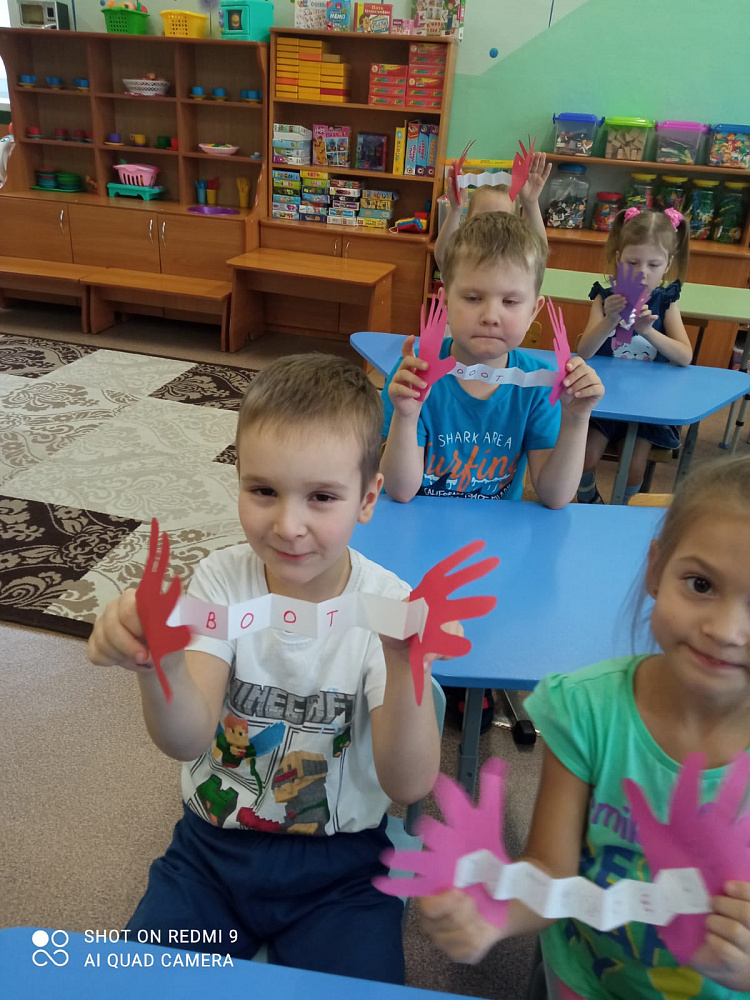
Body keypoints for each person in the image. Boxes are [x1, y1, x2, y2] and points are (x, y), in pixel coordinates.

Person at [87, 354, 460, 983]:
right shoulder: (220, 582)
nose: (288, 526)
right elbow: (187, 739)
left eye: (322, 497)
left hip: (343, 872)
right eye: (263, 491)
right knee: (138, 984)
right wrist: (156, 665)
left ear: (368, 498)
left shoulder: (389, 607)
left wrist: (405, 666)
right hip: (211, 856)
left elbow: (408, 784)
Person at [419, 454, 750, 999]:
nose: (726, 629)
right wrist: (493, 913)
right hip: (579, 980)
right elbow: (551, 871)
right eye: (700, 584)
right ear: (655, 568)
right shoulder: (589, 711)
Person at [381, 211, 604, 506]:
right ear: (445, 302)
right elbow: (399, 492)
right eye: (473, 298)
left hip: (496, 532)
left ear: (533, 311)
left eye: (510, 301)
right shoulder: (416, 375)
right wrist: (406, 418)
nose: (490, 316)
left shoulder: (539, 386)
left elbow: (555, 496)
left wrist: (576, 420)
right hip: (418, 526)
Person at [576, 207, 693, 505]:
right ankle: (589, 500)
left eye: (654, 264)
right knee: (585, 456)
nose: (643, 272)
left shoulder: (666, 302)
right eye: (632, 262)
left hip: (647, 405)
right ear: (618, 259)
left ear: (667, 265)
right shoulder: (605, 298)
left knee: (633, 467)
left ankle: (624, 509)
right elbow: (584, 351)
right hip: (605, 399)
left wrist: (648, 331)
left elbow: (684, 356)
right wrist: (610, 320)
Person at [433, 150, 551, 273]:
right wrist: (456, 210)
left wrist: (531, 204)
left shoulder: (517, 260)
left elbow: (539, 258)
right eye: (481, 219)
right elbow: (444, 258)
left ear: (517, 225)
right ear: (467, 221)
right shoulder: (465, 255)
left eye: (502, 219)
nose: (491, 225)